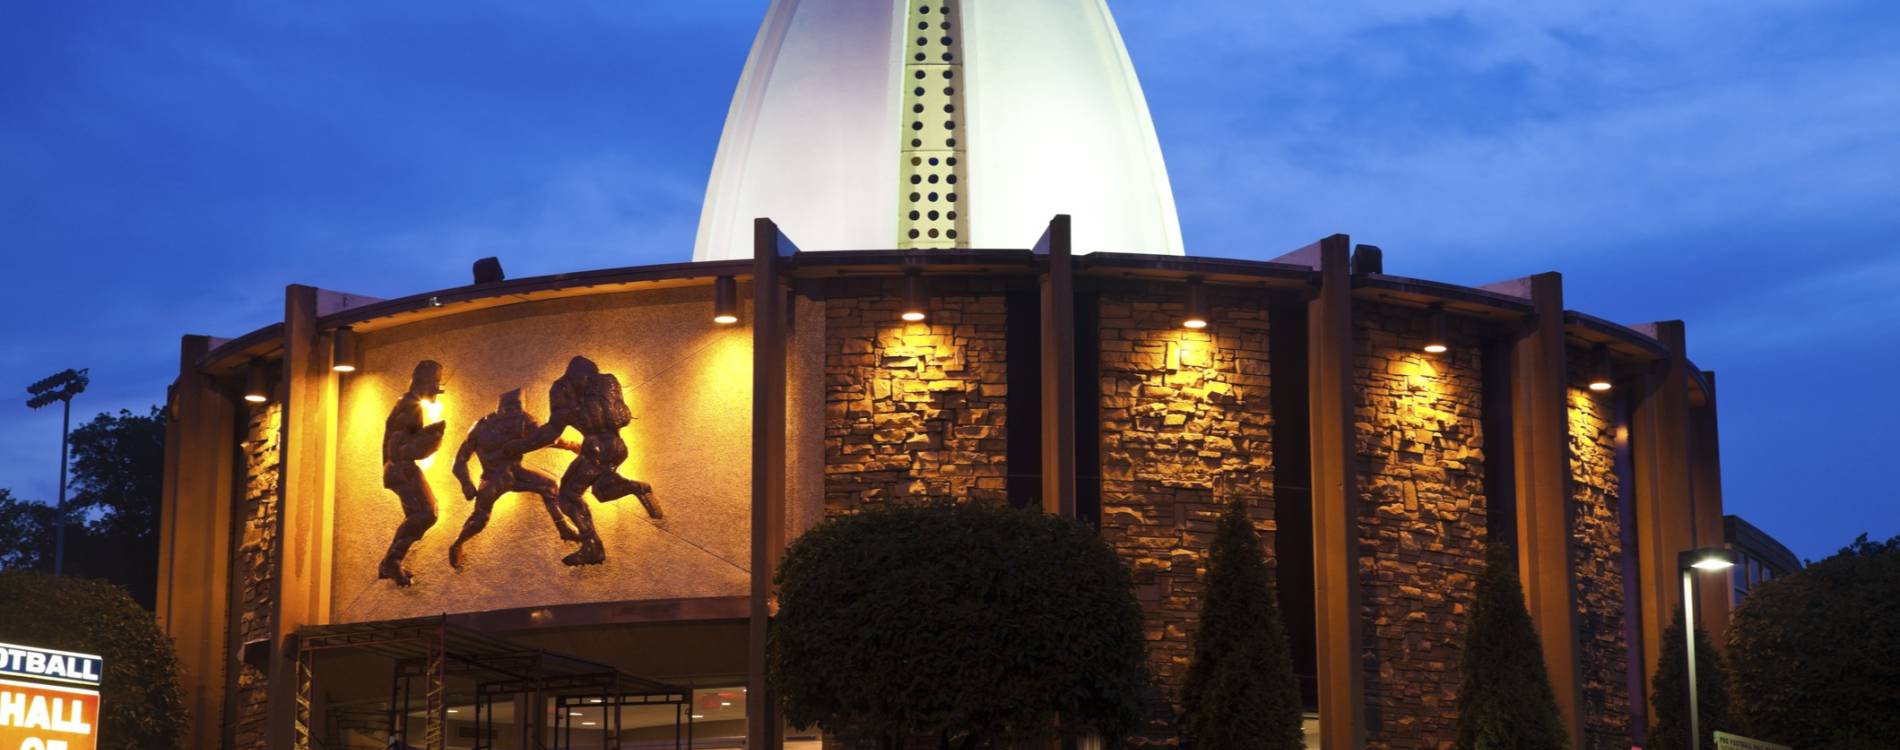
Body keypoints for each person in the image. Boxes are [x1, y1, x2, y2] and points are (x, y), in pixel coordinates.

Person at [510, 355, 661, 566]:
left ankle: (593, 545)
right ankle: (635, 488)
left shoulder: (564, 388)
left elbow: (552, 430)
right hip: (617, 446)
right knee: (601, 491)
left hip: (595, 448)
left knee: (567, 496)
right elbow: (623, 417)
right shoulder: (607, 385)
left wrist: (519, 446)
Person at [447, 388, 584, 569]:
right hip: (493, 477)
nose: (510, 414)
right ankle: (457, 543)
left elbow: (546, 438)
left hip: (516, 473)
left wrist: (572, 445)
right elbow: (459, 459)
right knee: (480, 517)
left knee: (550, 485)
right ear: (499, 409)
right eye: (507, 410)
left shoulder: (523, 420)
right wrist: (466, 483)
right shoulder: (480, 427)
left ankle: (564, 528)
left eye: (514, 409)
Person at [378, 360, 447, 586]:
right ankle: (392, 560)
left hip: (397, 470)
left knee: (419, 515)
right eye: (436, 383)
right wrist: (431, 440)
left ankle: (392, 561)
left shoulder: (407, 404)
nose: (437, 389)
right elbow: (397, 449)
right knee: (428, 512)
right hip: (401, 469)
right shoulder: (410, 406)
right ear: (425, 382)